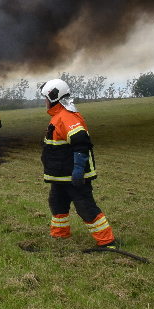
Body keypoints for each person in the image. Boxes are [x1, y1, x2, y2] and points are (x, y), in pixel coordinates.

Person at [39, 79, 117, 248]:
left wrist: (79, 169)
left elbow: (81, 142)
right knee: (57, 202)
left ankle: (107, 241)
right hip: (61, 175)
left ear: (54, 97)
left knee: (85, 206)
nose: (44, 102)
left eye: (46, 98)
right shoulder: (59, 116)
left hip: (73, 174)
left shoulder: (66, 117)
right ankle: (60, 234)